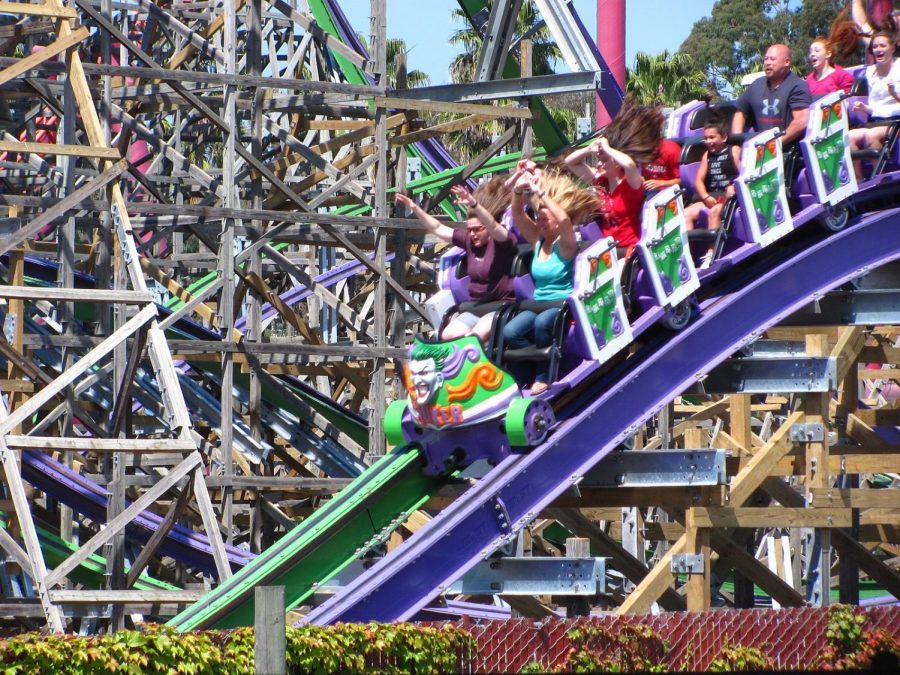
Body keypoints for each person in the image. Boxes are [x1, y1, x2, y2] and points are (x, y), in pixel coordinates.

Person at [502, 168, 599, 394]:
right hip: (538, 302)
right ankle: (534, 366)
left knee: (542, 323)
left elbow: (564, 219)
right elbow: (517, 214)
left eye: (546, 219)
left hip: (561, 304)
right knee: (510, 332)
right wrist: (519, 189)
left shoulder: (565, 245)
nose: (541, 222)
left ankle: (544, 374)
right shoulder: (538, 242)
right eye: (539, 218)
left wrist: (541, 194)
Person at [394, 179, 517, 344]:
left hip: (500, 307)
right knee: (447, 336)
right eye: (470, 229)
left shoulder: (502, 242)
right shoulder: (469, 241)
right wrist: (415, 208)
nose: (472, 234)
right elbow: (437, 228)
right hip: (474, 307)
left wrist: (473, 204)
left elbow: (494, 226)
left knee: (475, 337)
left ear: (487, 227)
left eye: (477, 229)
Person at [683, 117, 740, 268]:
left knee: (714, 211)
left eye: (712, 137)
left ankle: (710, 253)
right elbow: (698, 181)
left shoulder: (733, 150)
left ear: (724, 137)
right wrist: (705, 196)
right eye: (706, 138)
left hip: (728, 195)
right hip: (711, 194)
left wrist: (733, 186)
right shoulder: (707, 155)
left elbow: (743, 173)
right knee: (685, 213)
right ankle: (688, 257)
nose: (708, 141)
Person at [732, 44, 812, 149]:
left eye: (773, 59)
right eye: (766, 59)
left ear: (786, 62)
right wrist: (736, 143)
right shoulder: (756, 85)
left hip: (788, 151)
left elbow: (801, 120)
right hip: (758, 150)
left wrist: (775, 144)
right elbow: (740, 112)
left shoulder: (797, 86)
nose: (767, 63)